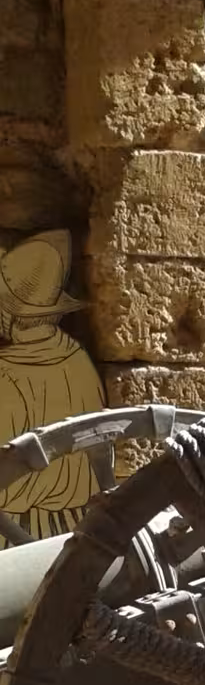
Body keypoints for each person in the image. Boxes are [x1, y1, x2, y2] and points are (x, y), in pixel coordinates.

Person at [0, 231, 105, 543]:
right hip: (76, 528)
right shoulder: (79, 361)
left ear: (11, 316)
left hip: (11, 535)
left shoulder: (5, 375)